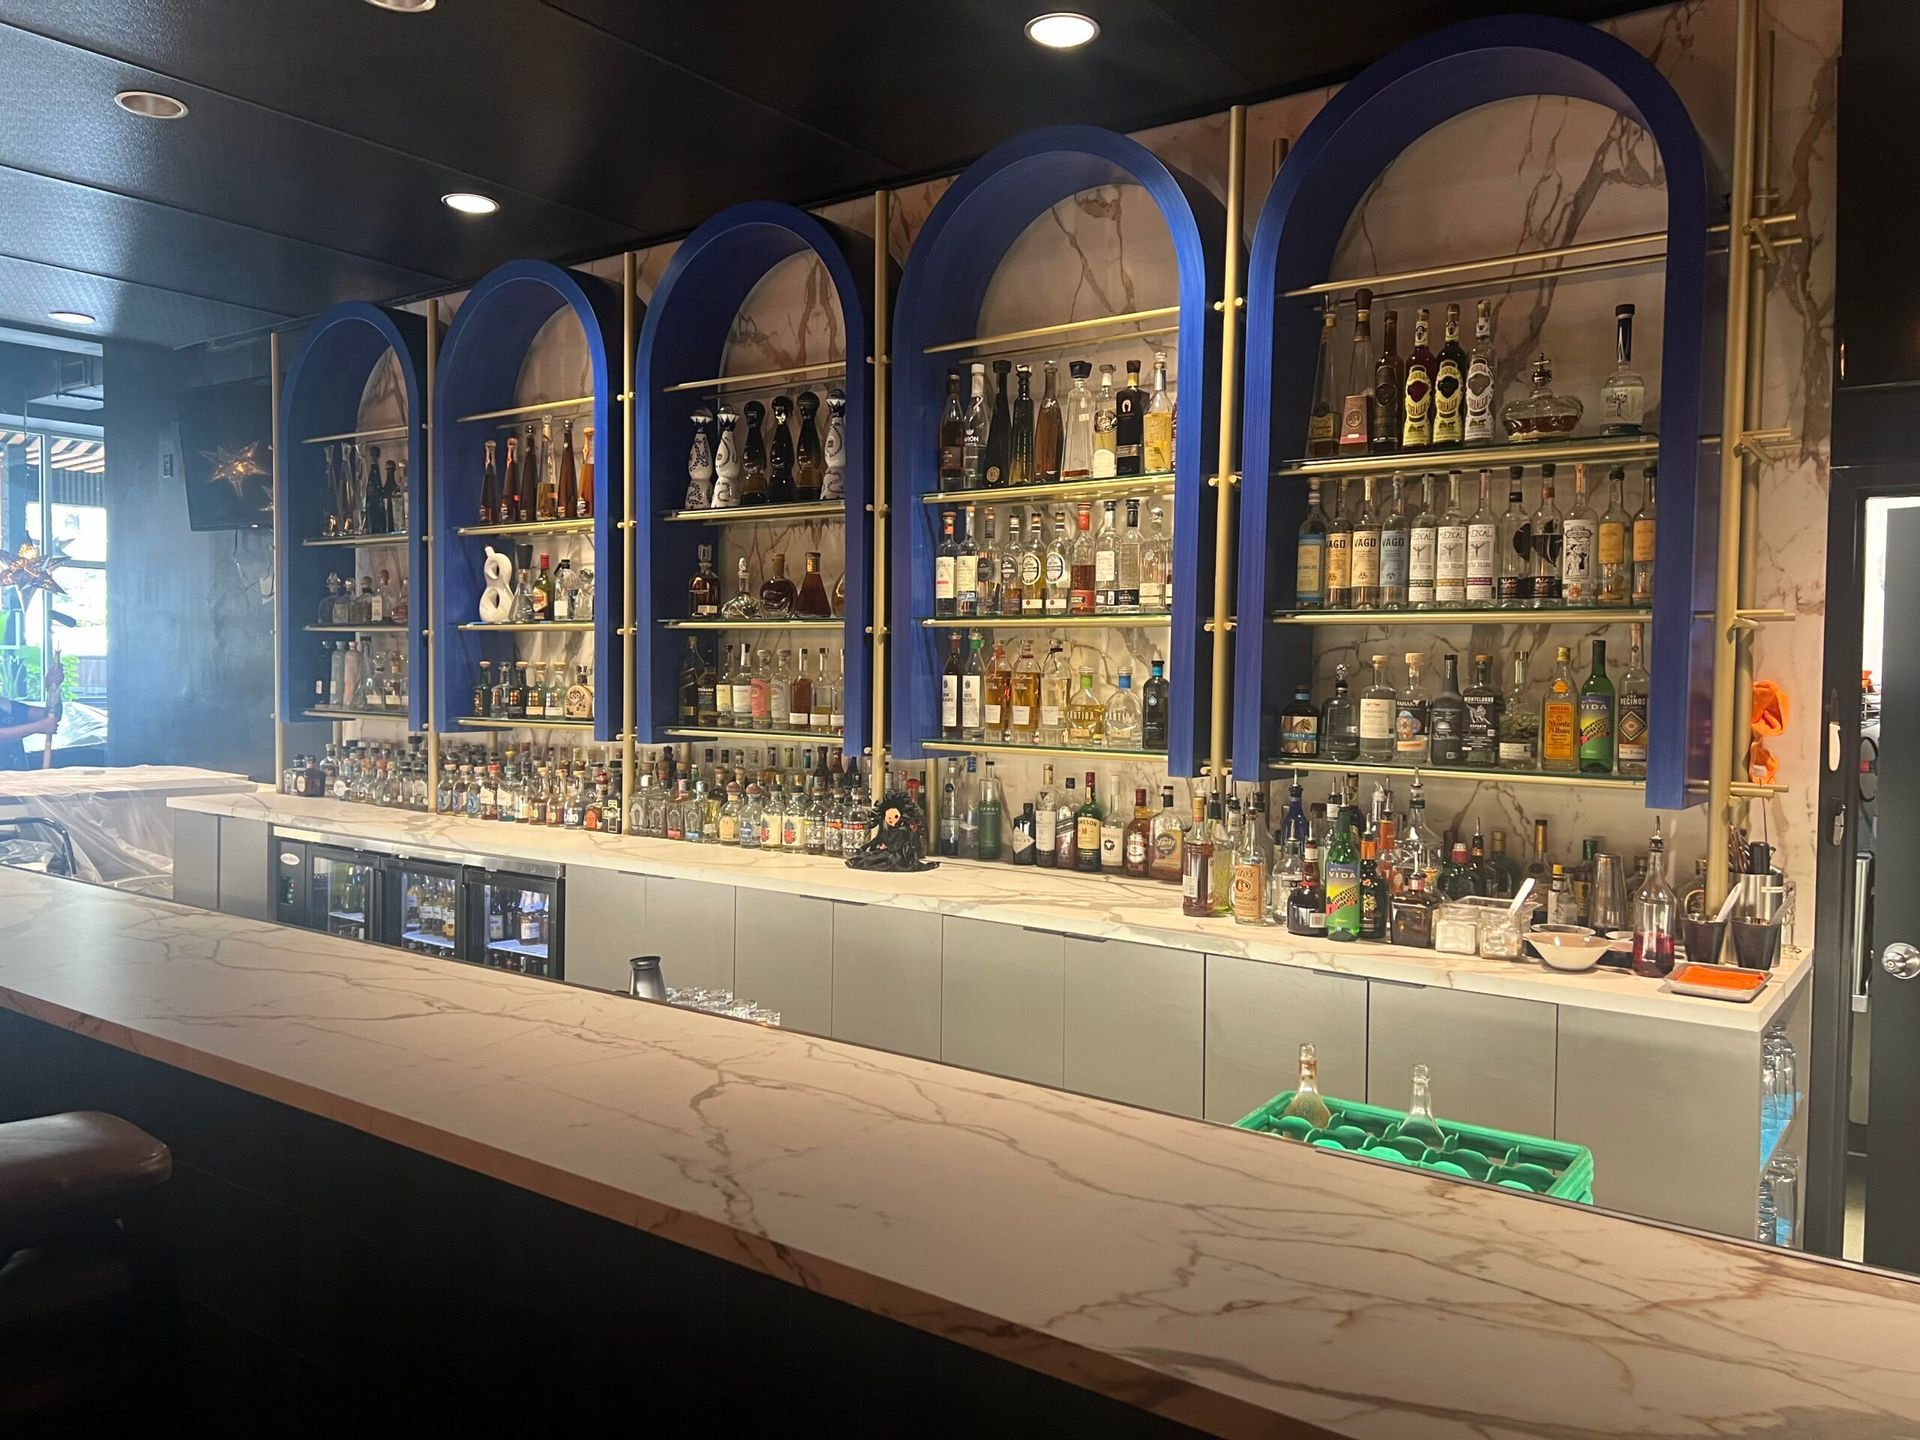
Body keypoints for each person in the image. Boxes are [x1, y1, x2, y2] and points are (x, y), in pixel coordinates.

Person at [0, 696, 55, 770]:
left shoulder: (6, 705)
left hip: (16, 774)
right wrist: (39, 727)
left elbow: (51, 714)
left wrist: (54, 690)